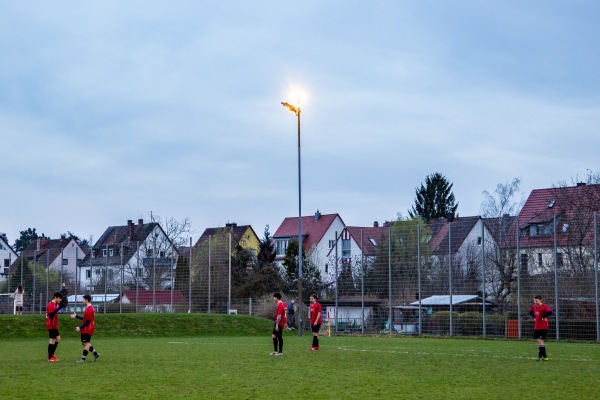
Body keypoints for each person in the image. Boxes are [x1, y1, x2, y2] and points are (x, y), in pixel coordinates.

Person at [71, 294, 100, 363]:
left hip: (88, 328)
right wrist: (76, 316)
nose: (82, 301)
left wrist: (80, 327)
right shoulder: (88, 308)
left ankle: (83, 359)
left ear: (86, 299)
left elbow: (88, 321)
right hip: (86, 327)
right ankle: (96, 354)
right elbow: (84, 319)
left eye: (83, 299)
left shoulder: (90, 308)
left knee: (86, 343)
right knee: (84, 343)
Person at [529, 295, 553, 361]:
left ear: (540, 300)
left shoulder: (543, 306)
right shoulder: (534, 307)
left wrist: (544, 317)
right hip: (537, 327)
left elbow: (550, 312)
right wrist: (534, 316)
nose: (535, 302)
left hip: (543, 326)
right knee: (539, 342)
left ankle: (539, 357)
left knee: (540, 341)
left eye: (537, 301)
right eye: (534, 301)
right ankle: (545, 357)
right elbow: (530, 312)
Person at [46, 291, 65, 362]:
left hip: (54, 325)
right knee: (52, 340)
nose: (60, 300)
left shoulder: (54, 305)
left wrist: (58, 308)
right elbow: (50, 315)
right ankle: (50, 357)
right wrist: (59, 308)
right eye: (59, 299)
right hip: (51, 325)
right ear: (56, 297)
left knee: (58, 338)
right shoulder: (51, 305)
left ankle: (52, 355)